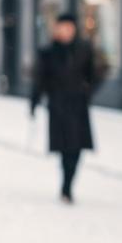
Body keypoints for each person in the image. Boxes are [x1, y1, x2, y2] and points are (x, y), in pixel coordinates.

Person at [30, 13, 101, 202]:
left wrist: (88, 91)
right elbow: (40, 79)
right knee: (64, 147)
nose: (66, 31)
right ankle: (66, 186)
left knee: (77, 149)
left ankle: (68, 185)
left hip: (78, 106)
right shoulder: (48, 52)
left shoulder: (84, 49)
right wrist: (34, 102)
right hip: (58, 106)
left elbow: (95, 74)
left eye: (70, 28)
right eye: (63, 27)